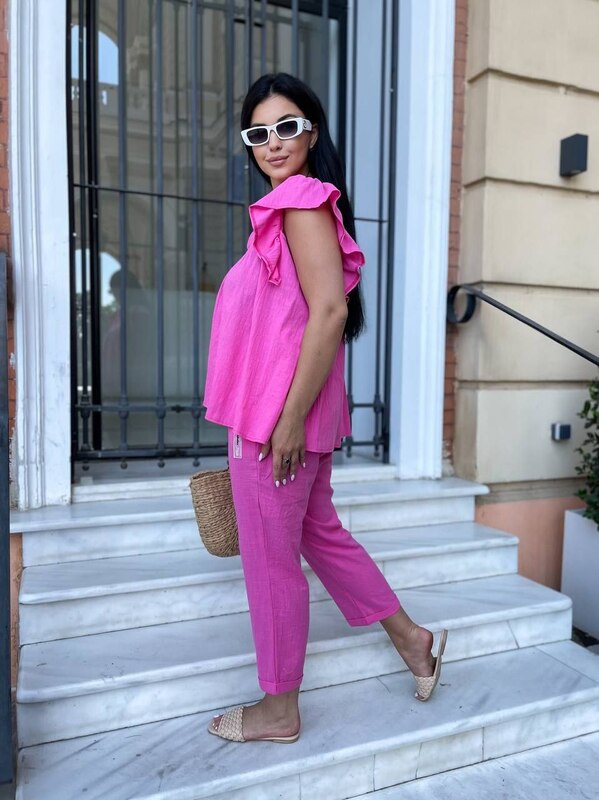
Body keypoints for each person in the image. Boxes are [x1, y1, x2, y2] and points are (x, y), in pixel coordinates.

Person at [203, 72, 448, 744]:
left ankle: (279, 707)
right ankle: (412, 640)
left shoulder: (303, 200)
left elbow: (330, 313)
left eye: (287, 126)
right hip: (288, 413)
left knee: (270, 562)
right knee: (320, 533)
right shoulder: (292, 207)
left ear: (312, 132)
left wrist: (284, 422)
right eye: (259, 132)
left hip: (275, 421)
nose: (273, 142)